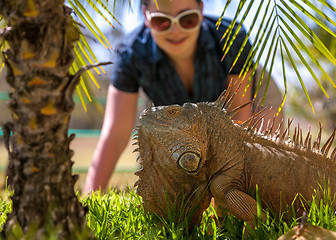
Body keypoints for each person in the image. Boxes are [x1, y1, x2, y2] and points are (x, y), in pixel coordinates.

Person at [84, 0, 283, 193]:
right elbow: (115, 135)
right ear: (146, 17)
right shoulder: (130, 54)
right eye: (162, 21)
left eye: (187, 19)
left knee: (263, 164)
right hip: (180, 119)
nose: (175, 30)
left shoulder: (231, 37)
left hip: (254, 97)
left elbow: (240, 120)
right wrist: (90, 199)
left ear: (201, 11)